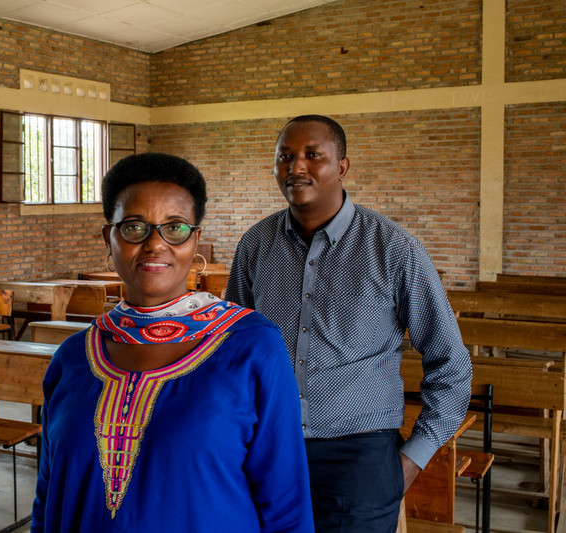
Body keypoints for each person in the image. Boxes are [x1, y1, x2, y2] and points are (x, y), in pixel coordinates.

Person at [31, 152, 314, 532]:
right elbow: (48, 496)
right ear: (108, 238)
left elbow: (286, 503)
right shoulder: (73, 358)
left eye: (175, 227)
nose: (155, 244)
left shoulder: (251, 347)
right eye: (134, 227)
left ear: (195, 239)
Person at [226, 115, 472, 532]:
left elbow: (451, 363)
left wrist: (413, 458)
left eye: (312, 155)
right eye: (285, 157)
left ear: (342, 166)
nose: (295, 167)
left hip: (358, 456)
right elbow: (232, 348)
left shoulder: (394, 249)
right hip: (268, 444)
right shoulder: (255, 244)